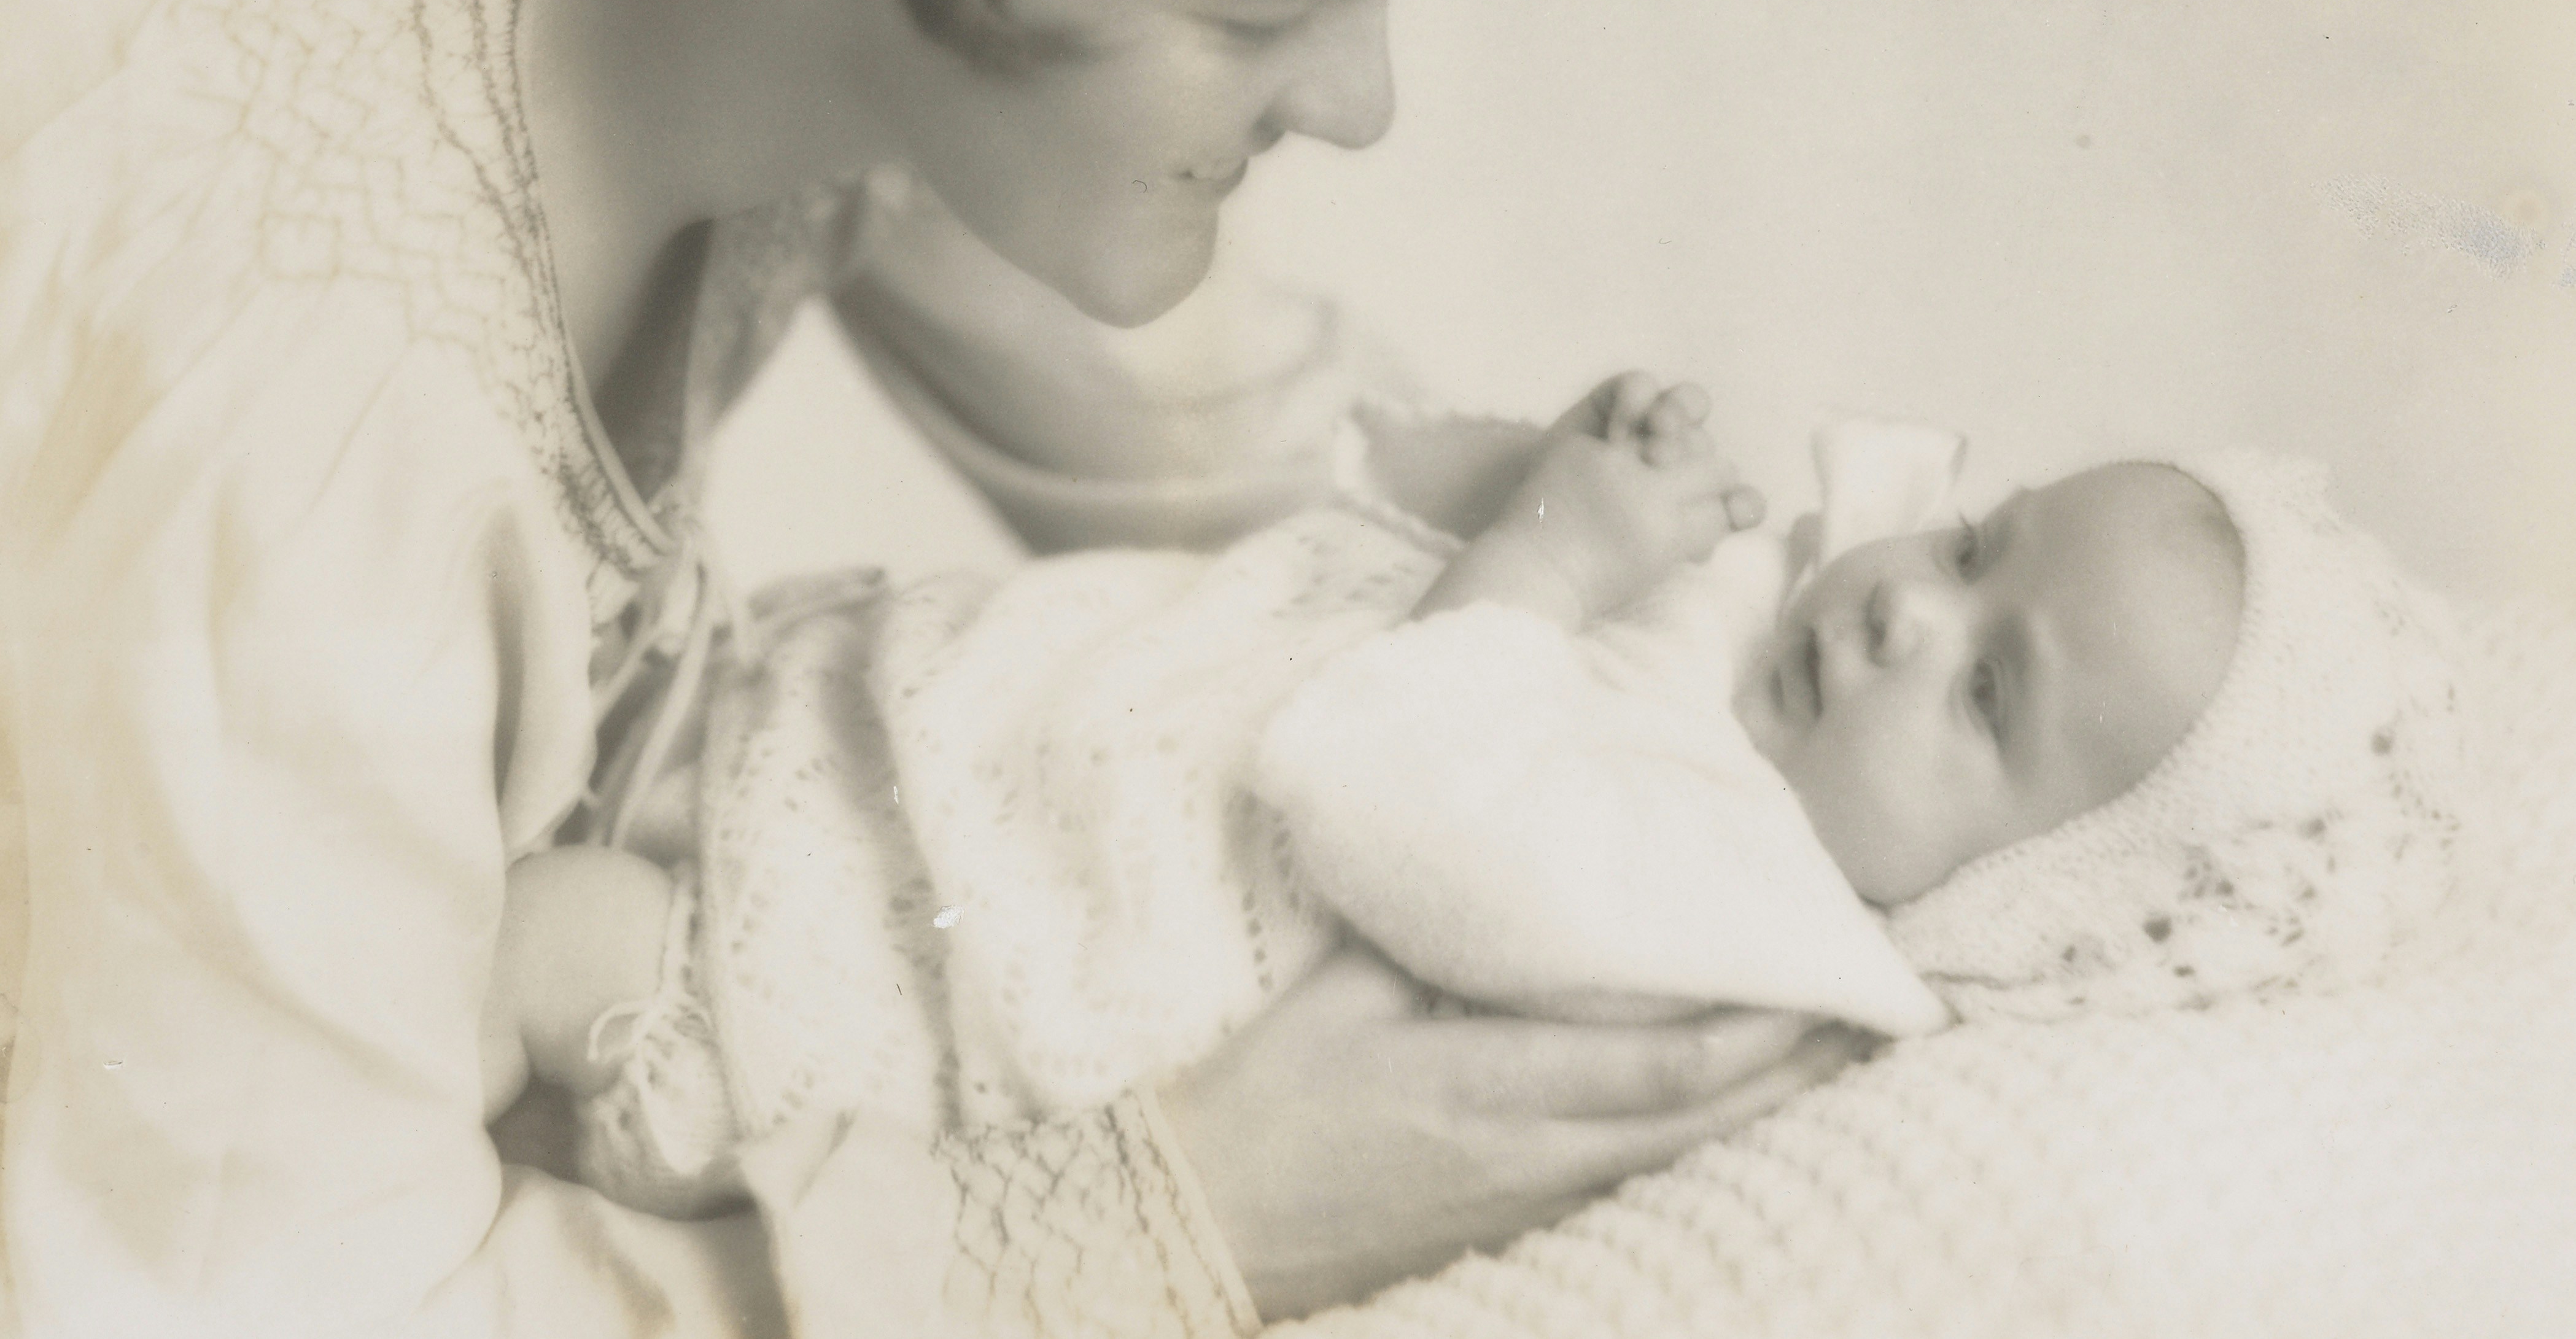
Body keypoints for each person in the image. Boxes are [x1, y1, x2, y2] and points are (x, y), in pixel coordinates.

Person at [0, 0, 1861, 1338]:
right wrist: (1180, 1211)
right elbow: (255, 1298)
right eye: (1265, 10)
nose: (1362, 102)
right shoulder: (307, 456)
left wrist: (1565, 636)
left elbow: (1190, 416)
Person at [481, 386, 2465, 1234]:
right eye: (1972, 542)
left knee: (520, 950)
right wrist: (1570, 463)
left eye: (1985, 693)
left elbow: (1404, 779)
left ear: (2016, 901)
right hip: (900, 760)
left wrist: (1557, 550)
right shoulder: (1769, 659)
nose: (1899, 610)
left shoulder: (1740, 922)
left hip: (920, 990)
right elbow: (1375, 510)